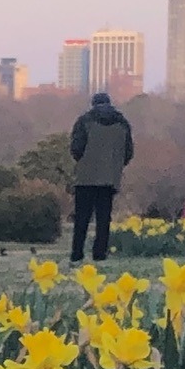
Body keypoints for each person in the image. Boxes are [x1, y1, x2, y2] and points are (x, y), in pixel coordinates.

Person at [68, 91, 134, 263]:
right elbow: (128, 153)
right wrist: (115, 166)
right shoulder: (123, 123)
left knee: (82, 218)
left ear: (93, 103)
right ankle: (99, 254)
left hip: (86, 177)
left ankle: (77, 253)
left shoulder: (85, 121)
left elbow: (76, 147)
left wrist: (84, 161)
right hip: (110, 178)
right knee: (104, 218)